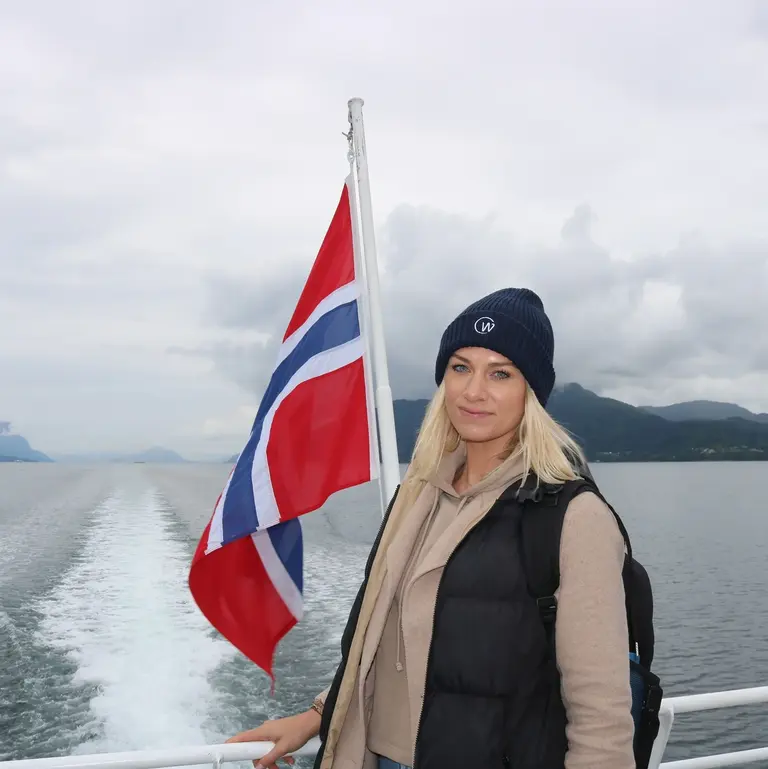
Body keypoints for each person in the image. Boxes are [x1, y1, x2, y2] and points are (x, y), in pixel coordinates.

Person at [227, 288, 635, 769]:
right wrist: (319, 714)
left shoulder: (572, 517)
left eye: (500, 373)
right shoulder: (415, 496)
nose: (474, 391)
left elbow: (602, 716)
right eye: (461, 367)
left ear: (532, 392)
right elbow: (387, 637)